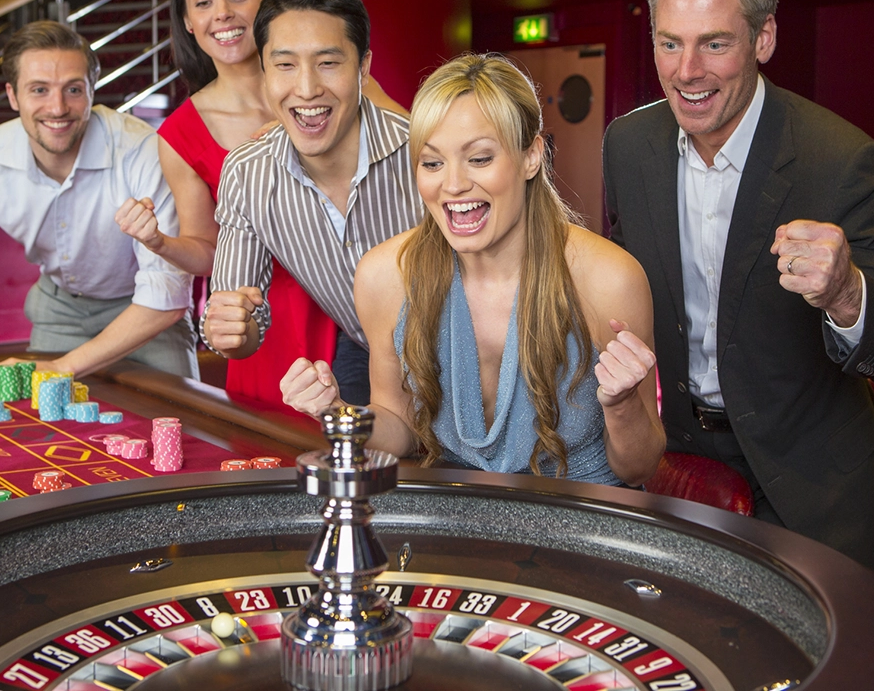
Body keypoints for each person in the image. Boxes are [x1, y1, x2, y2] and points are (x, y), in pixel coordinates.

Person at [603, 0, 874, 570]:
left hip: (815, 487)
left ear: (763, 40)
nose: (686, 71)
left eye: (715, 43)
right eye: (669, 43)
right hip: (681, 469)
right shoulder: (628, 145)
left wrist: (847, 294)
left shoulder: (841, 158)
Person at [281, 54, 666, 486]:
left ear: (531, 157)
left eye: (479, 159)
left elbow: (639, 467)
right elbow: (400, 426)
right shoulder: (384, 276)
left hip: (581, 514)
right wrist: (340, 414)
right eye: (432, 163)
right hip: (460, 516)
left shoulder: (609, 279)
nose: (453, 184)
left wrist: (622, 405)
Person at [116, 0, 404, 410]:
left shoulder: (348, 87)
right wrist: (161, 247)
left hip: (368, 315)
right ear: (188, 22)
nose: (223, 12)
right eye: (204, 1)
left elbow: (413, 153)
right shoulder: (231, 159)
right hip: (286, 310)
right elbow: (217, 262)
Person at [0, 21, 197, 393]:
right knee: (49, 436)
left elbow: (166, 295)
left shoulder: (143, 150)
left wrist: (61, 366)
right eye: (39, 90)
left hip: (146, 313)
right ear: (13, 96)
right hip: (59, 308)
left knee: (184, 430)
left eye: (73, 89)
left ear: (92, 91)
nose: (58, 107)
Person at [200, 0, 423, 405]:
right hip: (368, 355)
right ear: (263, 72)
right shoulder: (248, 172)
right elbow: (243, 326)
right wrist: (227, 328)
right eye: (284, 65)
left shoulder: (423, 154)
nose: (305, 88)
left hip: (476, 360)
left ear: (363, 68)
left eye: (328, 63)